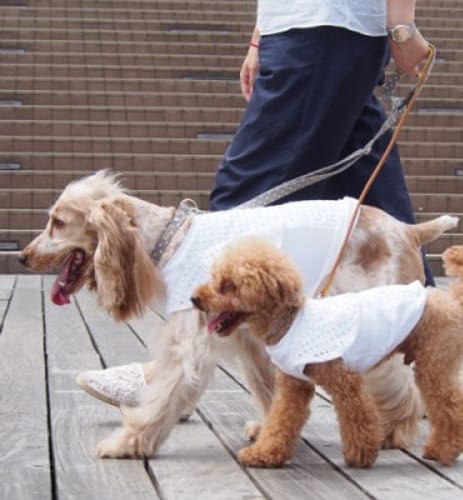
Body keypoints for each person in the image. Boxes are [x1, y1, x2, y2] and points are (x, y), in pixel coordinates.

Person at [77, 0, 434, 407]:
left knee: (240, 206)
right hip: (312, 27)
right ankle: (431, 355)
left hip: (320, 27)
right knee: (377, 209)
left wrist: (402, 26)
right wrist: (260, 35)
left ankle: (174, 375)